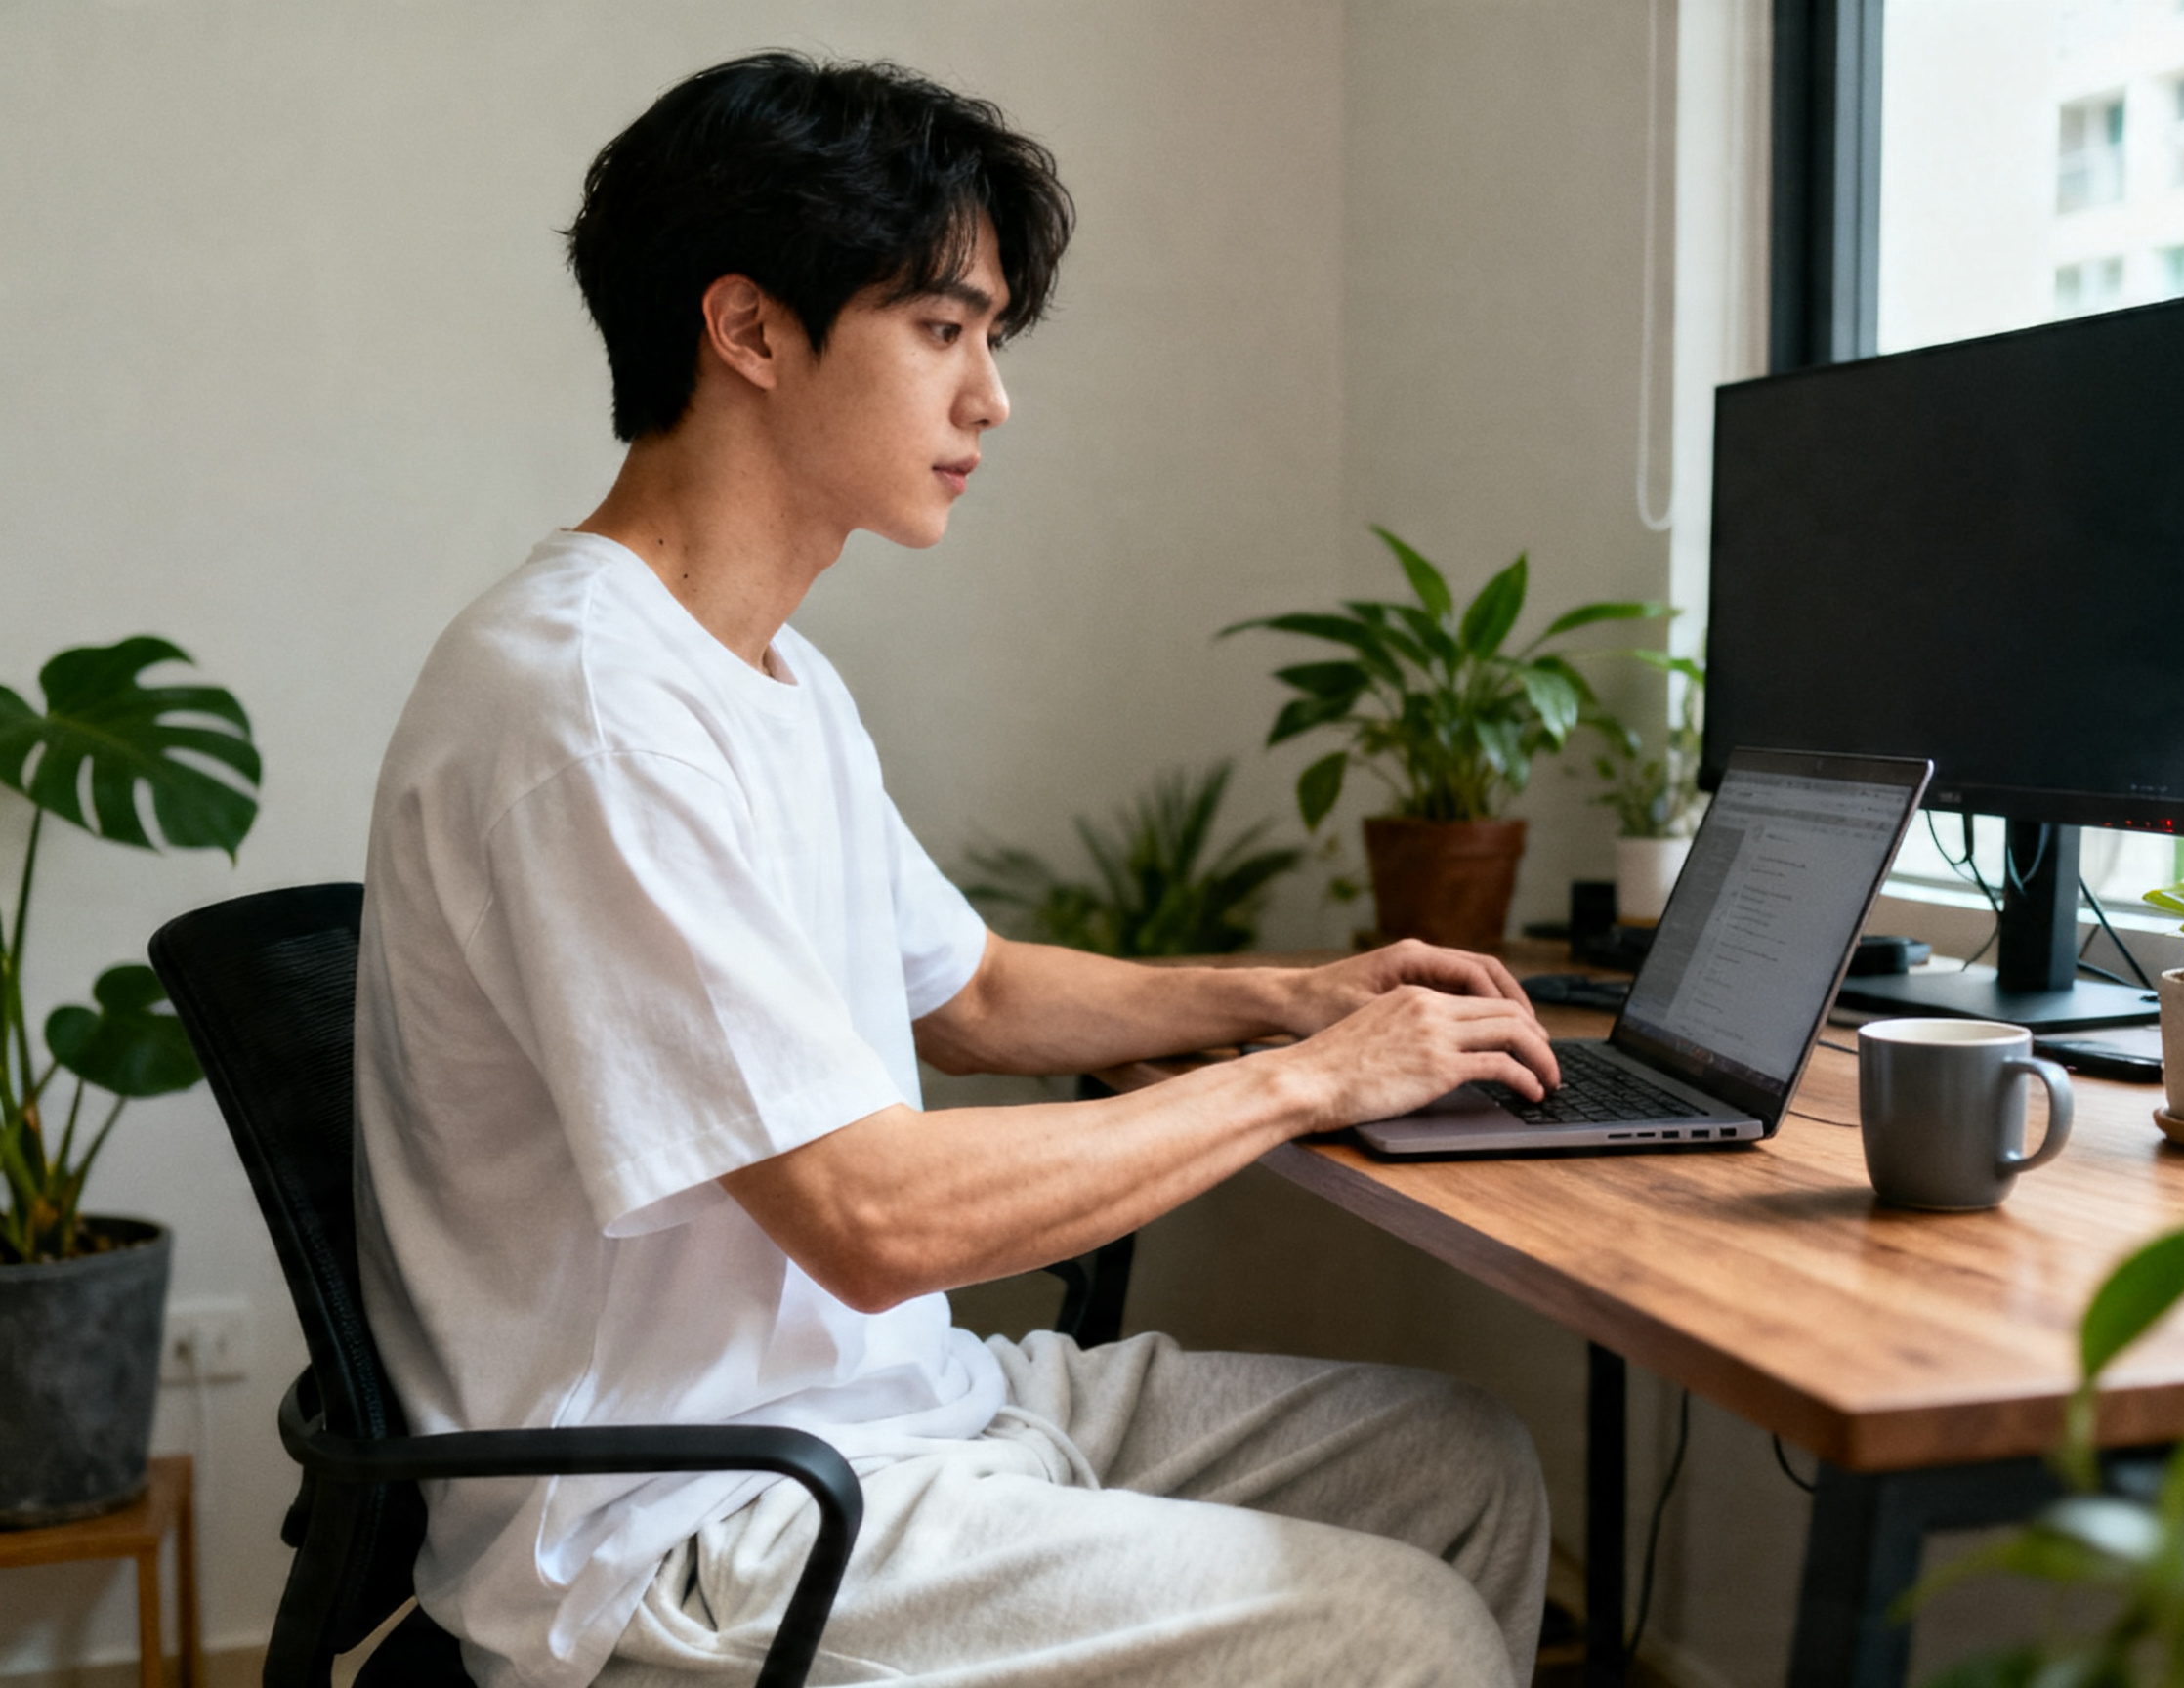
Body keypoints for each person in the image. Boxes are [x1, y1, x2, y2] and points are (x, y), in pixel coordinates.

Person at [355, 51, 1561, 1688]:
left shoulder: (768, 674)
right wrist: (1307, 1084)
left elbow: (973, 989)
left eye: (988, 337)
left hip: (897, 1410)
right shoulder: (589, 708)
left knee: (1457, 1459)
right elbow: (865, 1219)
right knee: (1395, 1631)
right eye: (944, 330)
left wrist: (1287, 998)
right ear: (751, 330)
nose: (991, 396)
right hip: (696, 1517)